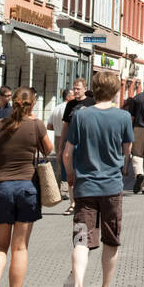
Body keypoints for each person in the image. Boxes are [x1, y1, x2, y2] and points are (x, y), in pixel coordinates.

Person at [63, 69, 134, 287]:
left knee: (81, 240)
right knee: (111, 240)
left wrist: (71, 176)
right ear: (115, 91)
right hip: (112, 188)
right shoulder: (123, 117)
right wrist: (123, 166)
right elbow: (127, 149)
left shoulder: (80, 116)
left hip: (85, 188)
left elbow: (66, 153)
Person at [0, 87, 51, 287]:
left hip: (1, 188)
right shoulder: (36, 125)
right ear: (31, 105)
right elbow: (49, 149)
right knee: (19, 248)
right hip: (26, 189)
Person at [58, 79, 95, 215]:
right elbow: (65, 125)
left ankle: (85, 202)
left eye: (78, 88)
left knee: (86, 172)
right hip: (72, 142)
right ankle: (73, 203)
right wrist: (61, 145)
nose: (76, 91)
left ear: (85, 89)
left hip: (87, 143)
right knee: (70, 173)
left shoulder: (92, 103)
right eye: (74, 88)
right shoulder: (70, 104)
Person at [49, 87, 72, 199]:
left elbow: (49, 126)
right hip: (67, 137)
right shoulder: (69, 108)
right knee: (67, 162)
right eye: (72, 94)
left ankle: (57, 189)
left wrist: (57, 128)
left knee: (59, 163)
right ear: (68, 96)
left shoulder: (56, 108)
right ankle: (65, 189)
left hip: (57, 137)